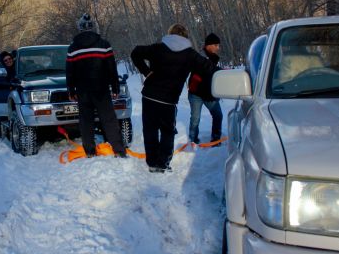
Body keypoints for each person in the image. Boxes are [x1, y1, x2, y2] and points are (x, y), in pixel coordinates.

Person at [131, 23, 213, 173]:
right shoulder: (190, 54)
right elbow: (208, 68)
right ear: (185, 36)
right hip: (168, 100)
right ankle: (163, 163)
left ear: (170, 34)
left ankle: (152, 162)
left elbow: (135, 52)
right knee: (167, 131)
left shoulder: (158, 48)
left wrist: (146, 72)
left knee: (150, 129)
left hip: (149, 96)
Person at [66, 13, 127, 158]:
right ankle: (119, 151)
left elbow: (70, 72)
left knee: (86, 121)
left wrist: (71, 90)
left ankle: (90, 152)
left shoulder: (73, 48)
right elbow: (112, 68)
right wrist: (115, 87)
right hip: (101, 89)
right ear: (92, 27)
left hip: (83, 91)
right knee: (109, 119)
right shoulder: (104, 45)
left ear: (80, 28)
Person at [187, 32, 223, 145]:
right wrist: (219, 70)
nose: (218, 48)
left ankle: (216, 139)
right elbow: (207, 70)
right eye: (216, 45)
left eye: (218, 45)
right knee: (195, 118)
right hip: (196, 94)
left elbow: (212, 72)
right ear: (209, 45)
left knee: (218, 115)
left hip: (209, 94)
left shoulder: (214, 58)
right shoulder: (200, 56)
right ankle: (193, 140)